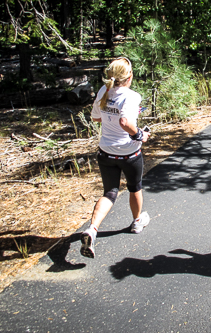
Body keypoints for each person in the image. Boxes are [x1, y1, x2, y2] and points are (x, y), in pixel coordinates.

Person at [80, 57, 151, 259]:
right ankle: (137, 222)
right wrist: (140, 135)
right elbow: (125, 121)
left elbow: (95, 117)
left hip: (106, 152)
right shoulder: (131, 96)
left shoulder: (104, 91)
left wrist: (108, 115)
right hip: (128, 153)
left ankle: (92, 230)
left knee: (110, 192)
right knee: (134, 186)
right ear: (129, 77)